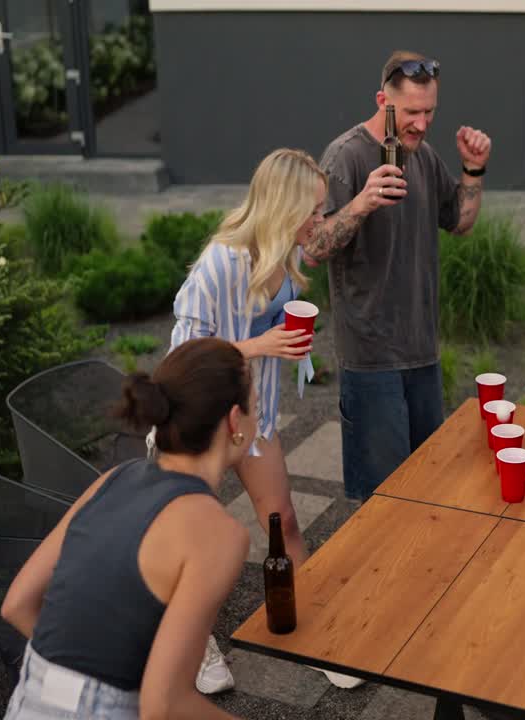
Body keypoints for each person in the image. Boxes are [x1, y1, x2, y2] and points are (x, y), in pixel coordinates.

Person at [167, 148, 362, 691]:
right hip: (198, 423)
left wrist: (287, 344)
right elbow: (180, 359)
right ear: (283, 207)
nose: (320, 221)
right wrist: (258, 345)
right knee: (197, 542)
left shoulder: (286, 255)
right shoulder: (221, 262)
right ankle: (196, 647)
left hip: (253, 418)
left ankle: (317, 635)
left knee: (285, 521)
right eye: (314, 211)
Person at [1, 337, 256, 720]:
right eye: (256, 405)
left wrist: (81, 676)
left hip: (28, 700)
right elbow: (164, 704)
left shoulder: (116, 478)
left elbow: (17, 605)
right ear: (234, 421)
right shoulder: (218, 533)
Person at [304, 50, 492, 502]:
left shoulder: (423, 156)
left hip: (422, 352)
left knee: (425, 492)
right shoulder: (346, 156)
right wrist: (362, 203)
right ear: (382, 102)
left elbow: (460, 222)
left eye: (429, 112)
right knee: (382, 502)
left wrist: (473, 168)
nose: (422, 124)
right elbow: (312, 248)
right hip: (370, 358)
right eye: (411, 113)